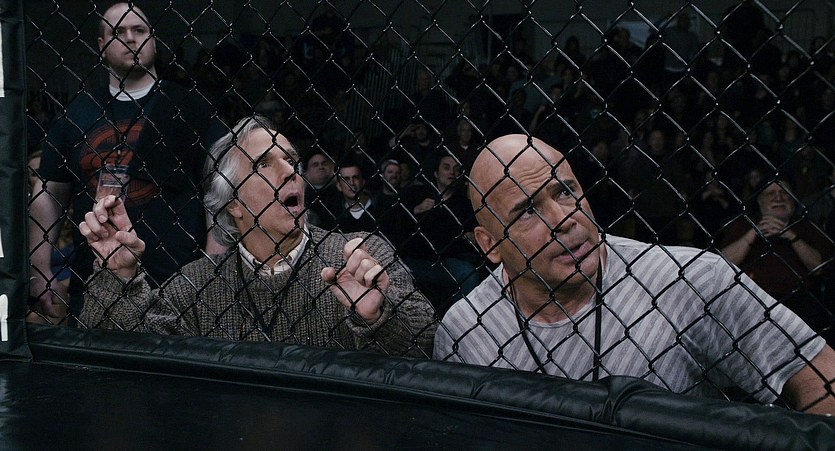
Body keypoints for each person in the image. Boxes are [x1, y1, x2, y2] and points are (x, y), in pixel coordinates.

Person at [434, 135, 835, 415]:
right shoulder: (466, 329)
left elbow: (821, 373)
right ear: (489, 244)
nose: (564, 219)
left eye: (565, 191)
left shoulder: (691, 280)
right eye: (527, 211)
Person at [79, 116, 436, 357]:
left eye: (291, 159)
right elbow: (128, 357)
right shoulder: (196, 285)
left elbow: (424, 343)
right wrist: (119, 275)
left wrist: (378, 317)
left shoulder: (359, 256)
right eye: (264, 164)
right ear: (233, 202)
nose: (290, 171)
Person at [30, 2, 223, 321]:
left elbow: (221, 187)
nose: (131, 38)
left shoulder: (189, 107)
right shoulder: (77, 113)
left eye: (139, 30)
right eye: (118, 31)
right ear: (102, 45)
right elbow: (49, 192)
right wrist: (39, 270)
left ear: (153, 41)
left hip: (180, 280)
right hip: (95, 279)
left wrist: (214, 264)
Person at [720, 178, 833, 344]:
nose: (778, 198)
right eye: (771, 193)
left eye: (784, 193)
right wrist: (753, 233)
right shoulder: (743, 224)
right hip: (752, 299)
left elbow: (818, 267)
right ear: (759, 201)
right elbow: (724, 263)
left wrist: (791, 236)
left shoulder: (807, 226)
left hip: (798, 300)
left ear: (793, 200)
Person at [401, 153, 481, 316]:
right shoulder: (418, 194)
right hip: (416, 260)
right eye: (446, 167)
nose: (451, 172)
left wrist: (472, 237)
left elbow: (469, 235)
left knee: (468, 272)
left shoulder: (463, 204)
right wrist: (415, 210)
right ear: (436, 173)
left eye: (456, 169)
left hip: (445, 261)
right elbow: (397, 226)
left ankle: (458, 319)